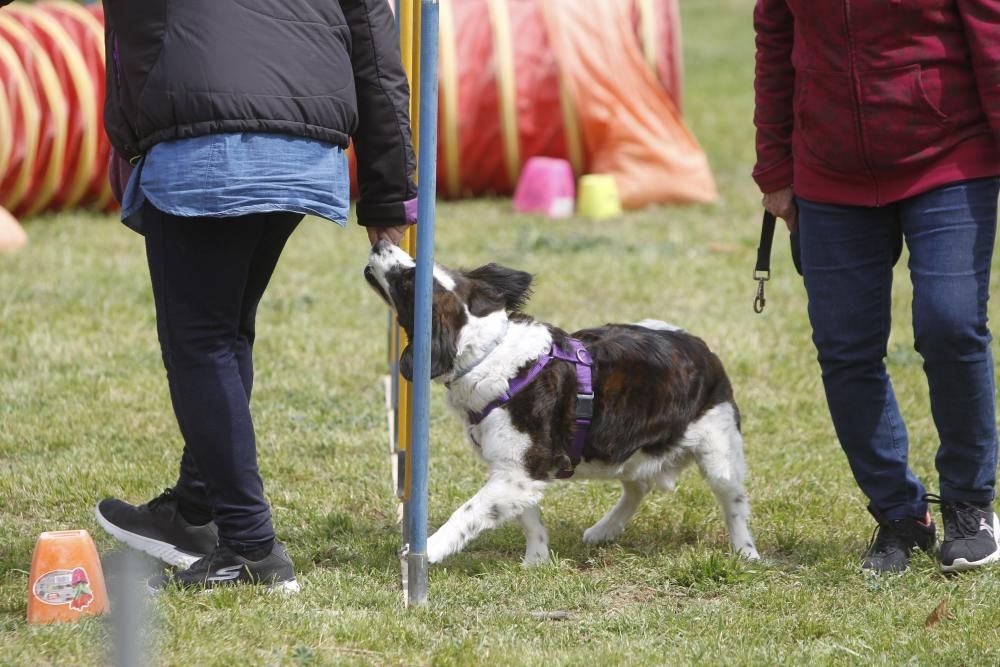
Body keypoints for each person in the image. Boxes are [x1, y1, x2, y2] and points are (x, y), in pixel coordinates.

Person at [89, 0, 417, 591]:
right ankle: (195, 512)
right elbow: (374, 43)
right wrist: (389, 191)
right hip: (308, 146)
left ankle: (249, 548)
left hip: (204, 134)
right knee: (227, 329)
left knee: (202, 340)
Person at [753, 0, 1000, 574]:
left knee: (951, 324)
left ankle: (970, 506)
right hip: (828, 168)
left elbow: (991, 35)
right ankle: (899, 515)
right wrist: (775, 168)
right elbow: (774, 41)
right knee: (845, 347)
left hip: (948, 155)